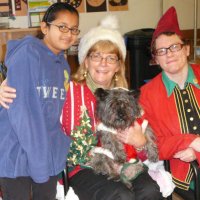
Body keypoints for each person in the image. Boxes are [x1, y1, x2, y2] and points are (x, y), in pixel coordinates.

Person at [0, 15, 163, 200]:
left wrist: (140, 142)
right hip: (80, 166)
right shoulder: (66, 89)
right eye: (96, 56)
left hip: (127, 161)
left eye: (111, 58)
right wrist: (4, 88)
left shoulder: (127, 96)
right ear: (85, 61)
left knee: (150, 191)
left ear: (118, 65)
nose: (103, 63)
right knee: (120, 195)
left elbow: (145, 145)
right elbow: (34, 97)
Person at [0, 2, 80, 200]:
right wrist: (39, 163)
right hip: (17, 152)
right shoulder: (27, 53)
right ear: (45, 28)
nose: (68, 33)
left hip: (46, 154)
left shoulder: (63, 65)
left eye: (74, 29)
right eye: (62, 27)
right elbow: (23, 112)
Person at [139, 6, 200, 200]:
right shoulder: (146, 95)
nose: (170, 54)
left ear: (187, 48)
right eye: (162, 51)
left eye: (175, 47)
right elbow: (152, 146)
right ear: (156, 59)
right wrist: (190, 141)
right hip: (188, 173)